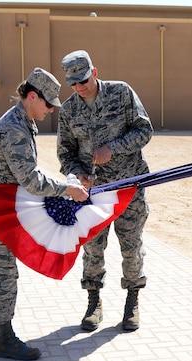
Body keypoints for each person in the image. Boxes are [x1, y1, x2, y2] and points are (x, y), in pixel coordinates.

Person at [0, 67, 89, 360]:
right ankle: (6, 339)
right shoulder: (14, 128)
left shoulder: (23, 122)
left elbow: (28, 173)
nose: (51, 110)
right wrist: (67, 189)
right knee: (2, 271)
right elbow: (31, 180)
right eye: (48, 104)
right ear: (32, 97)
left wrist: (65, 184)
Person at [57, 50, 153, 332]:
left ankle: (132, 300)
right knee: (92, 248)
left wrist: (113, 148)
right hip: (93, 194)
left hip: (128, 187)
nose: (79, 87)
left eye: (83, 80)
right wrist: (77, 175)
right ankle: (94, 301)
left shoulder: (122, 93)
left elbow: (144, 130)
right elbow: (65, 153)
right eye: (73, 83)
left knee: (131, 246)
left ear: (94, 72)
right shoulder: (69, 110)